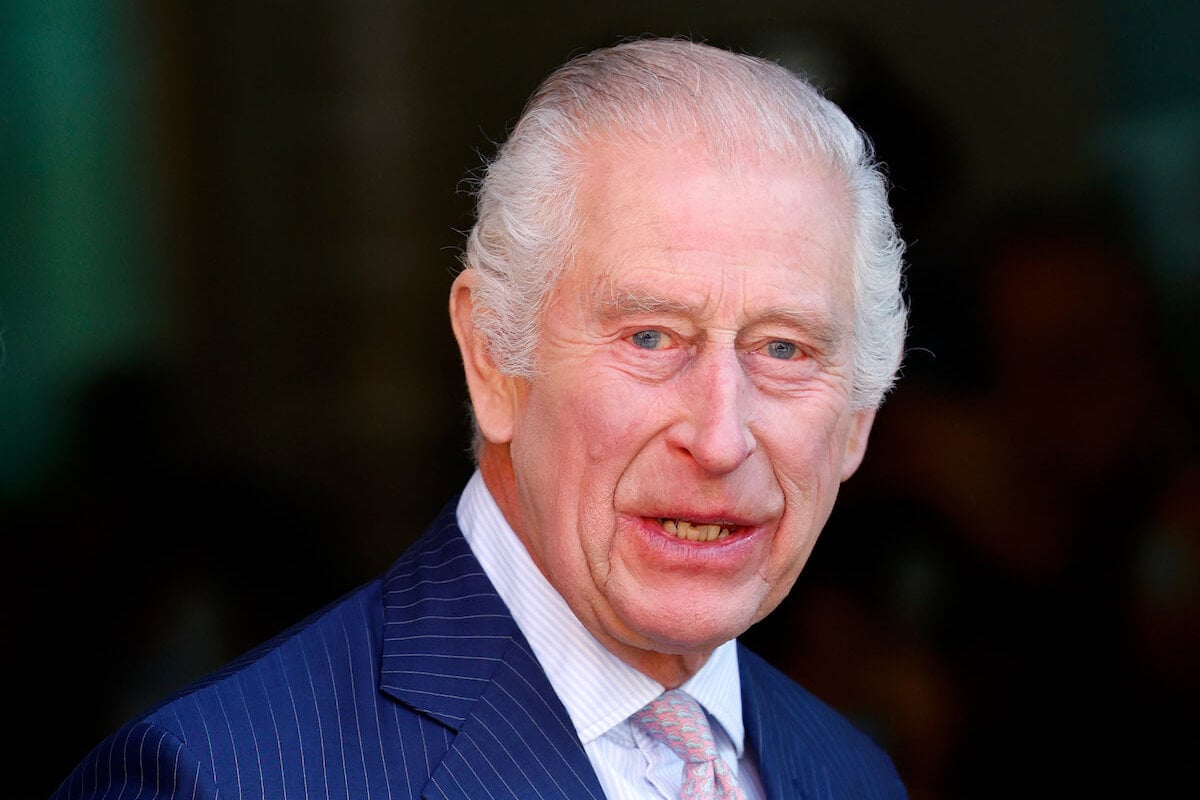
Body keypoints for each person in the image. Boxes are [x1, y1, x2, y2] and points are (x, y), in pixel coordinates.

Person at [52, 37, 908, 799]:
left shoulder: (851, 772)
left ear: (860, 416)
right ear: (491, 360)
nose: (720, 438)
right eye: (650, 337)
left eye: (785, 350)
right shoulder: (218, 778)